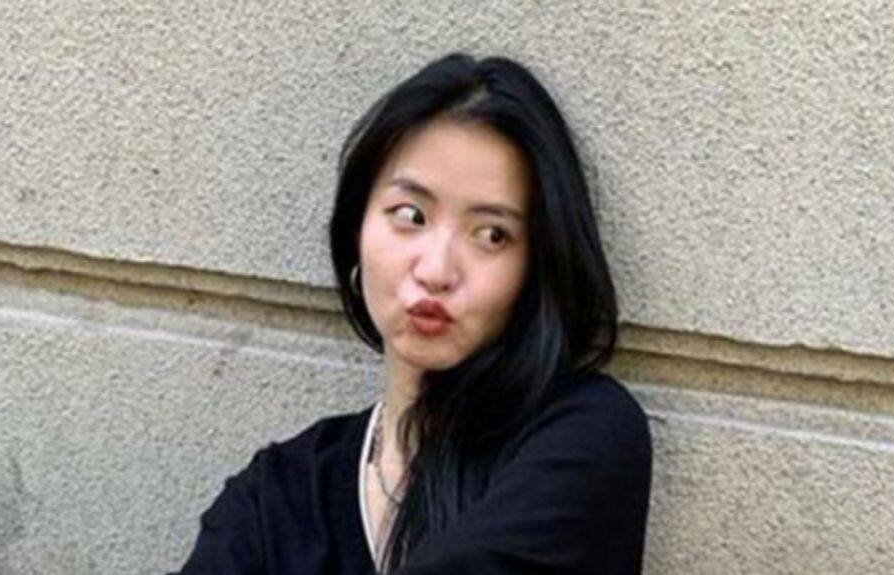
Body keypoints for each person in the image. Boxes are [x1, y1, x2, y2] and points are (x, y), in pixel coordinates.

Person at [170, 52, 652, 574]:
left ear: (536, 267)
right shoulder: (275, 500)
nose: (437, 269)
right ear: (357, 227)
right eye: (410, 215)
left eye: (492, 235)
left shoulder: (584, 436)